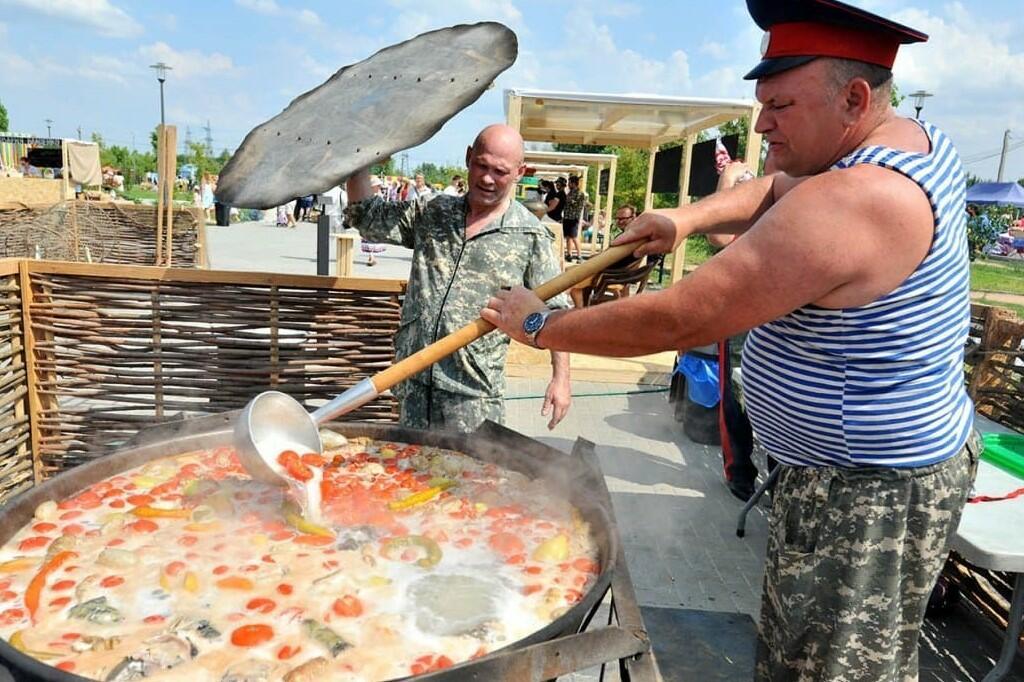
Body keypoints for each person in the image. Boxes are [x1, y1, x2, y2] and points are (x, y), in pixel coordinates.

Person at [482, 1, 977, 680]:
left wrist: (539, 325)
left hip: (865, 495)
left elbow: (681, 318)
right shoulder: (902, 139)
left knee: (826, 671)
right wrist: (682, 220)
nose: (762, 123)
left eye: (779, 105)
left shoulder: (856, 200)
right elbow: (777, 184)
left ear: (854, 98)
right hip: (873, 470)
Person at [345, 124, 572, 433]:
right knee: (409, 472)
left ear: (520, 172)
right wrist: (356, 159)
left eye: (500, 171)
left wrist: (561, 380)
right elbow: (368, 217)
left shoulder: (529, 235)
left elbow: (557, 311)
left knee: (472, 478)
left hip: (472, 395)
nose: (487, 178)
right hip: (413, 381)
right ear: (468, 158)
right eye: (481, 165)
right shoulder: (433, 211)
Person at [562, 175, 587, 262]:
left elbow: (577, 205)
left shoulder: (580, 194)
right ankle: (569, 254)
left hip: (573, 218)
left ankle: (579, 255)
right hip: (567, 217)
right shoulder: (570, 192)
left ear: (574, 183)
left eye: (570, 183)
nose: (568, 185)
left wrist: (568, 199)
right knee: (568, 237)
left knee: (574, 237)